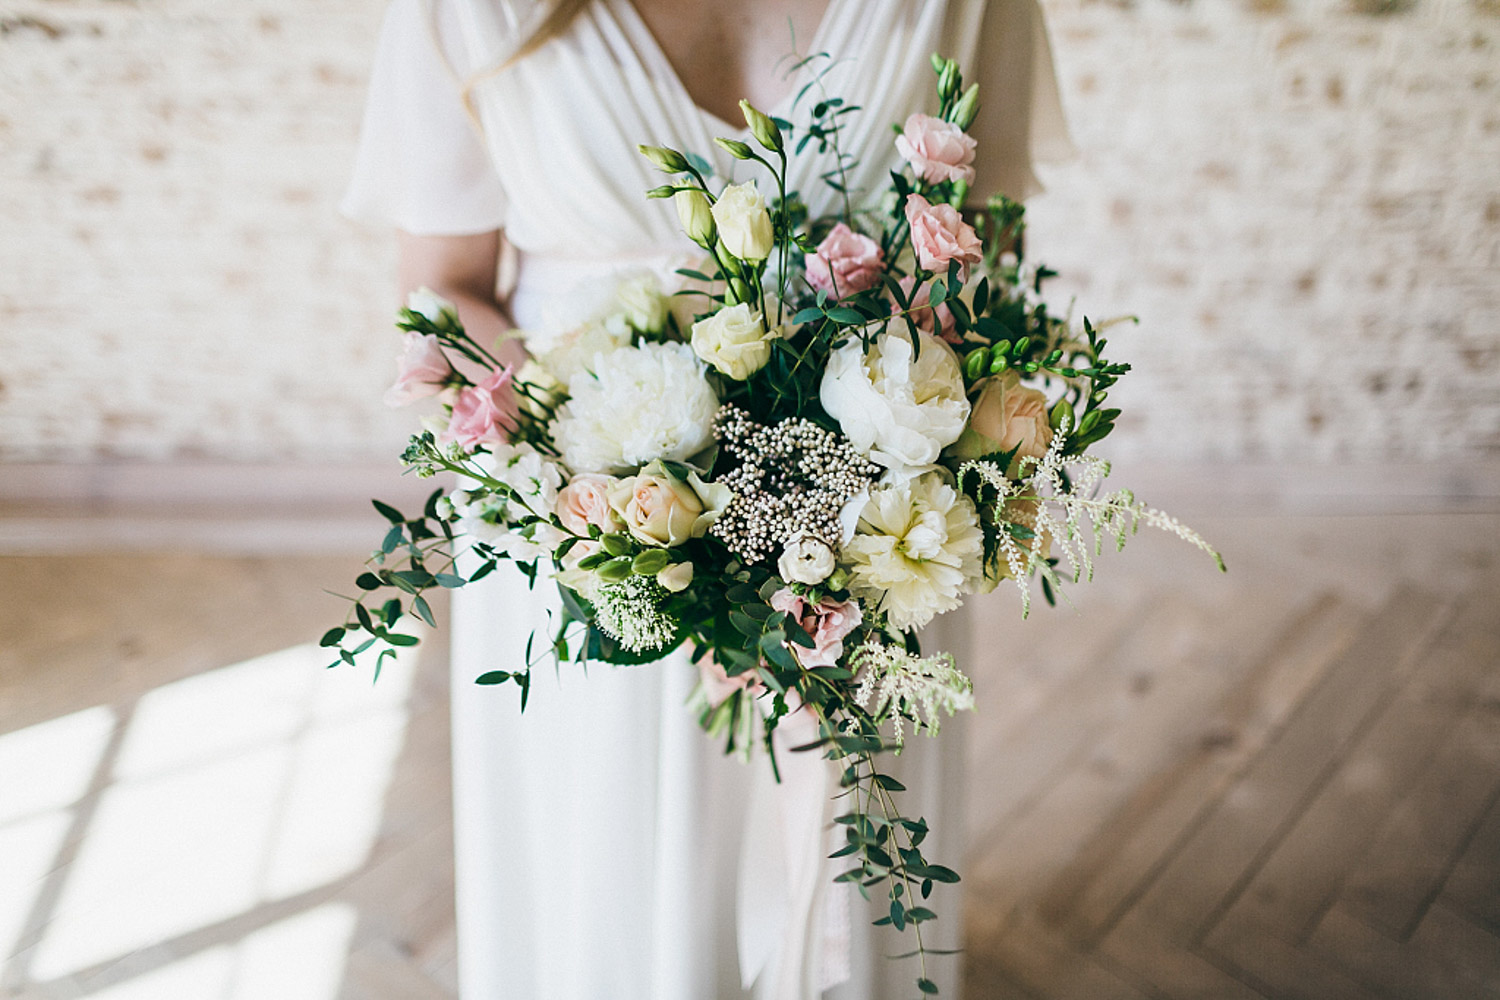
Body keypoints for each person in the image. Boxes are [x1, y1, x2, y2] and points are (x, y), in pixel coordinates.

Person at [342, 1, 1071, 996]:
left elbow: (979, 238)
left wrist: (921, 443)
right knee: (616, 864)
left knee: (852, 849)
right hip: (595, 533)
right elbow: (443, 290)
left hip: (871, 520)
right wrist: (580, 474)